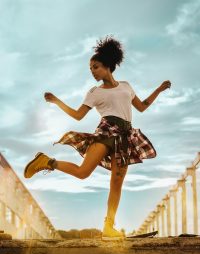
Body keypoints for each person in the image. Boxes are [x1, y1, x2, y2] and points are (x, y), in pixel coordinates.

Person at [24, 35, 171, 240]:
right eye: (91, 68)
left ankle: (108, 227)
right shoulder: (94, 92)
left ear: (108, 66)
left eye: (96, 67)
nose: (92, 71)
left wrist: (159, 90)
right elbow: (78, 115)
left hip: (125, 137)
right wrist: (57, 101)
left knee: (117, 182)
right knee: (83, 172)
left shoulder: (126, 86)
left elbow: (142, 106)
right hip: (106, 133)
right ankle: (47, 162)